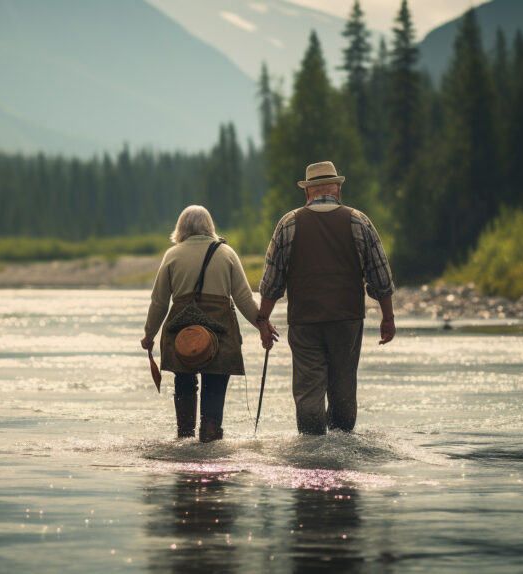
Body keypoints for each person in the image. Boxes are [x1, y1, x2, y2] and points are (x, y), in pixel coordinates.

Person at [255, 161, 395, 435]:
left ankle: (312, 448)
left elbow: (271, 282)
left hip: (304, 322)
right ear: (338, 190)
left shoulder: (288, 224)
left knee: (308, 392)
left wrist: (263, 320)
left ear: (307, 192)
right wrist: (387, 318)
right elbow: (381, 277)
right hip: (347, 321)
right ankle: (342, 445)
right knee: (343, 388)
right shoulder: (359, 220)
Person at [141, 205, 261, 442]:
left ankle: (184, 437)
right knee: (215, 382)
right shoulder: (227, 253)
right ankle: (210, 433)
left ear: (181, 228)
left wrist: (149, 334)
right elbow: (244, 299)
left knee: (184, 381)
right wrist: (263, 326)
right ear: (210, 226)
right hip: (221, 332)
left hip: (181, 332)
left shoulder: (172, 255)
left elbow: (159, 302)